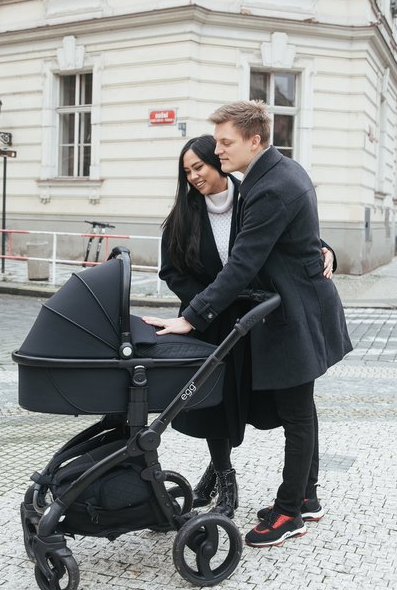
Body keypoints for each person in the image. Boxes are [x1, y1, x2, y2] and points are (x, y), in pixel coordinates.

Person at [144, 101, 352, 548]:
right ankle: (308, 497)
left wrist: (191, 318)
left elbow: (243, 263)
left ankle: (289, 512)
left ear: (253, 141)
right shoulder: (275, 174)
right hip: (292, 310)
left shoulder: (270, 187)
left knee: (296, 414)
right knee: (300, 411)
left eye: (224, 143)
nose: (218, 152)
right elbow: (291, 241)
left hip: (294, 315)